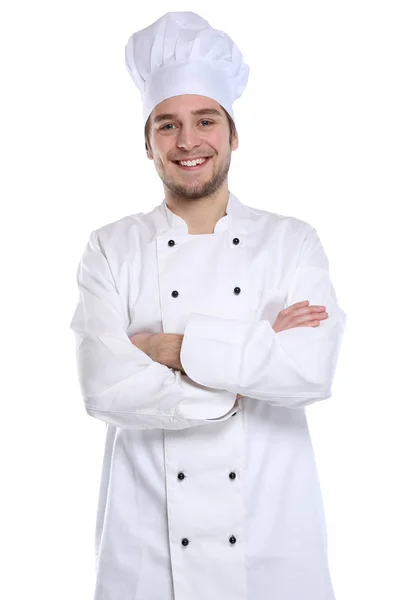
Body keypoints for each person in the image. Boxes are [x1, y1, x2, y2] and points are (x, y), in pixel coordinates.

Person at [70, 11, 347, 600]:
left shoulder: (292, 242)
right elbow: (104, 387)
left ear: (233, 133)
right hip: (147, 552)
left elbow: (308, 371)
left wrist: (164, 349)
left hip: (272, 547)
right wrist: (250, 361)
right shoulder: (110, 248)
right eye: (167, 125)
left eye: (205, 121)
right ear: (147, 143)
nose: (188, 142)